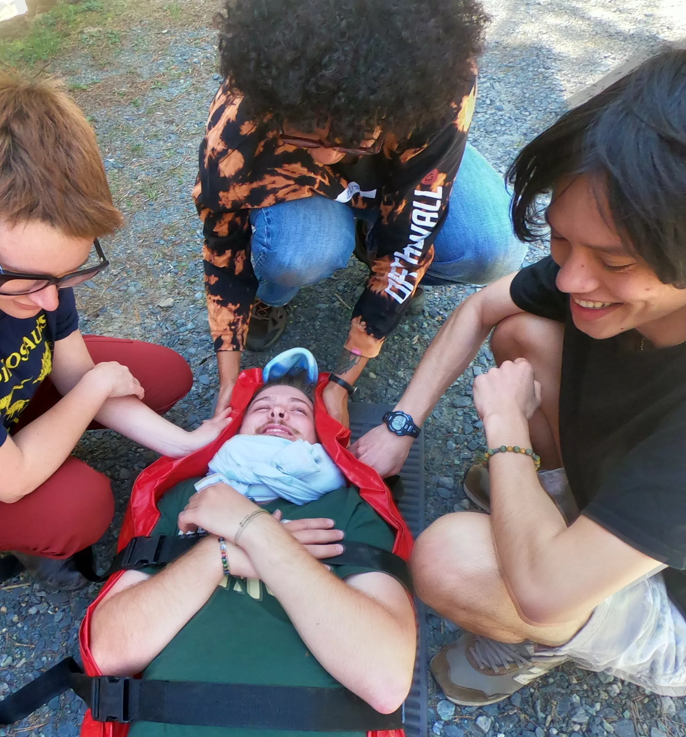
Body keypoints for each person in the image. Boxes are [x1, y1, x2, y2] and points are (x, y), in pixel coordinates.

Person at [354, 42, 686, 703]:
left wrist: (508, 431)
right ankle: (556, 511)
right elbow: (484, 307)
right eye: (560, 239)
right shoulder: (618, 250)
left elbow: (543, 592)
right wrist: (404, 423)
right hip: (639, 483)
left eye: (614, 262)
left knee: (451, 560)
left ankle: (542, 635)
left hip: (682, 597)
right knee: (523, 329)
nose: (572, 276)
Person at [0, 72, 230, 590]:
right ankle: (13, 530)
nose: (49, 300)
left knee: (163, 375)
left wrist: (184, 444)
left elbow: (73, 366)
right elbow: (12, 479)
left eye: (68, 273)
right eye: (26, 281)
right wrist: (96, 388)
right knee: (79, 506)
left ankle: (22, 435)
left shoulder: (33, 260)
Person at [194, 0, 528, 427]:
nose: (330, 154)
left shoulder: (438, 89)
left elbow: (411, 241)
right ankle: (273, 296)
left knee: (493, 248)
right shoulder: (245, 115)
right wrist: (228, 381)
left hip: (407, 161)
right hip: (303, 181)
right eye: (307, 137)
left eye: (350, 143)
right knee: (295, 254)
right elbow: (224, 240)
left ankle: (374, 262)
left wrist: (344, 380)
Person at [88, 371, 418, 737]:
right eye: (261, 407)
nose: (279, 410)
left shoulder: (351, 504)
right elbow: (110, 651)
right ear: (235, 427)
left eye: (300, 410)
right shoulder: (187, 498)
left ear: (321, 437)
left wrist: (255, 532)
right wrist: (221, 555)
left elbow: (385, 679)